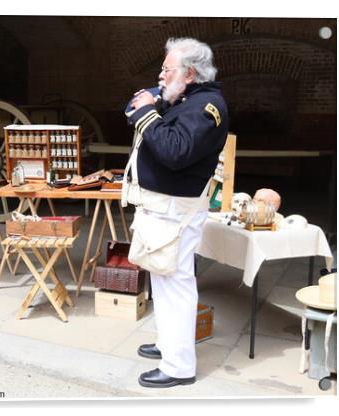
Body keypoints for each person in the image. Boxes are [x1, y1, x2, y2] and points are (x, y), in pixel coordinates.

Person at [123, 37, 229, 388]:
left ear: (191, 73)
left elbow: (173, 151)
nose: (161, 74)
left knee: (176, 285)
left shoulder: (205, 107)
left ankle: (179, 366)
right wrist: (147, 102)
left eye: (168, 69)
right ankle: (168, 345)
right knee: (162, 278)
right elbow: (137, 107)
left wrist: (146, 112)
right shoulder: (183, 98)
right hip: (164, 208)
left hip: (175, 212)